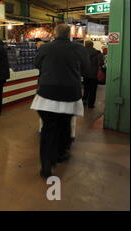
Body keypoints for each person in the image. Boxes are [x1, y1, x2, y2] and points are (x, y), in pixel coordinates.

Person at [31, 24, 89, 179]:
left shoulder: (45, 48)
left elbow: (37, 65)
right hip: (70, 94)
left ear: (55, 34)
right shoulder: (79, 48)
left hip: (47, 94)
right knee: (65, 125)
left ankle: (46, 166)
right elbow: (86, 68)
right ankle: (61, 154)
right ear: (69, 34)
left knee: (48, 130)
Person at [83, 40, 105, 108]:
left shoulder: (82, 52)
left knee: (86, 88)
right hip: (94, 74)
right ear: (92, 45)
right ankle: (91, 104)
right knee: (93, 89)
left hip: (85, 73)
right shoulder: (98, 53)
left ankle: (84, 101)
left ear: (85, 45)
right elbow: (102, 63)